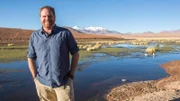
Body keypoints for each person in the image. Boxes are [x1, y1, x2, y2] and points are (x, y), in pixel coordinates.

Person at [27, 5, 79, 101]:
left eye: (50, 16)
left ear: (54, 17)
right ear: (40, 18)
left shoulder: (65, 33)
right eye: (44, 16)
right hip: (42, 85)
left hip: (63, 84)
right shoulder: (34, 36)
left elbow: (75, 54)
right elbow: (30, 57)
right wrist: (35, 78)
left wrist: (71, 75)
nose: (47, 18)